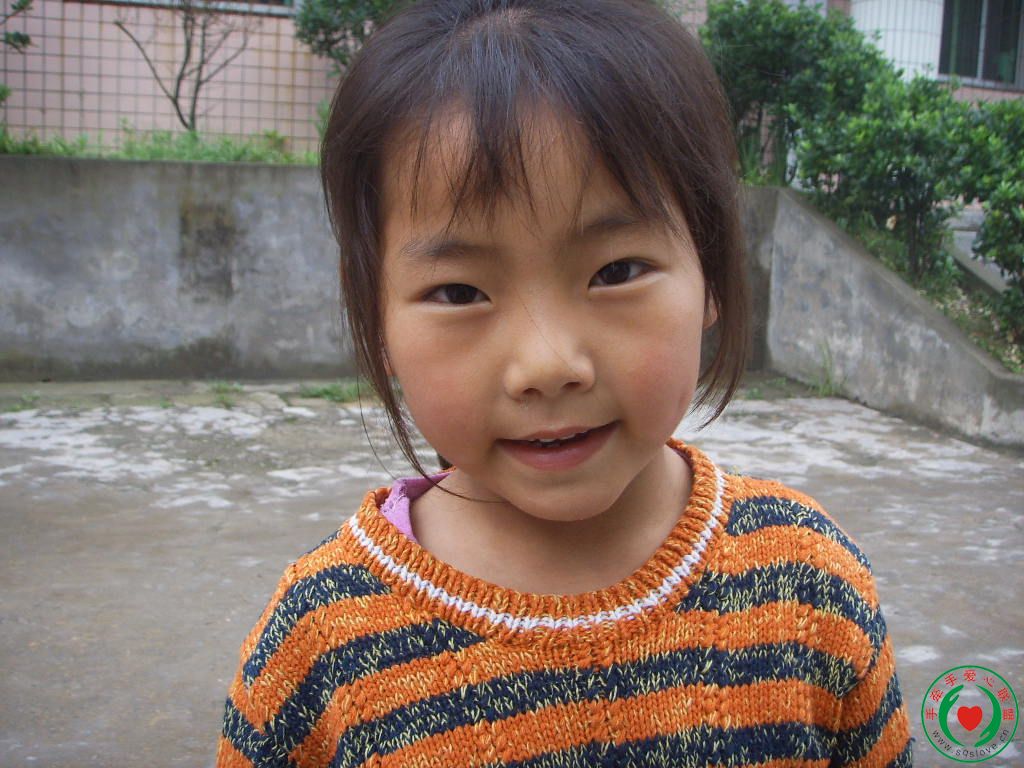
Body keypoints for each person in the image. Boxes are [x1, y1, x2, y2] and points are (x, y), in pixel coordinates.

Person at [216, 1, 913, 765]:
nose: (548, 366)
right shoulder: (321, 642)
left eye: (617, 271)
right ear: (376, 319)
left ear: (711, 271)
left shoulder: (806, 582)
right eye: (459, 292)